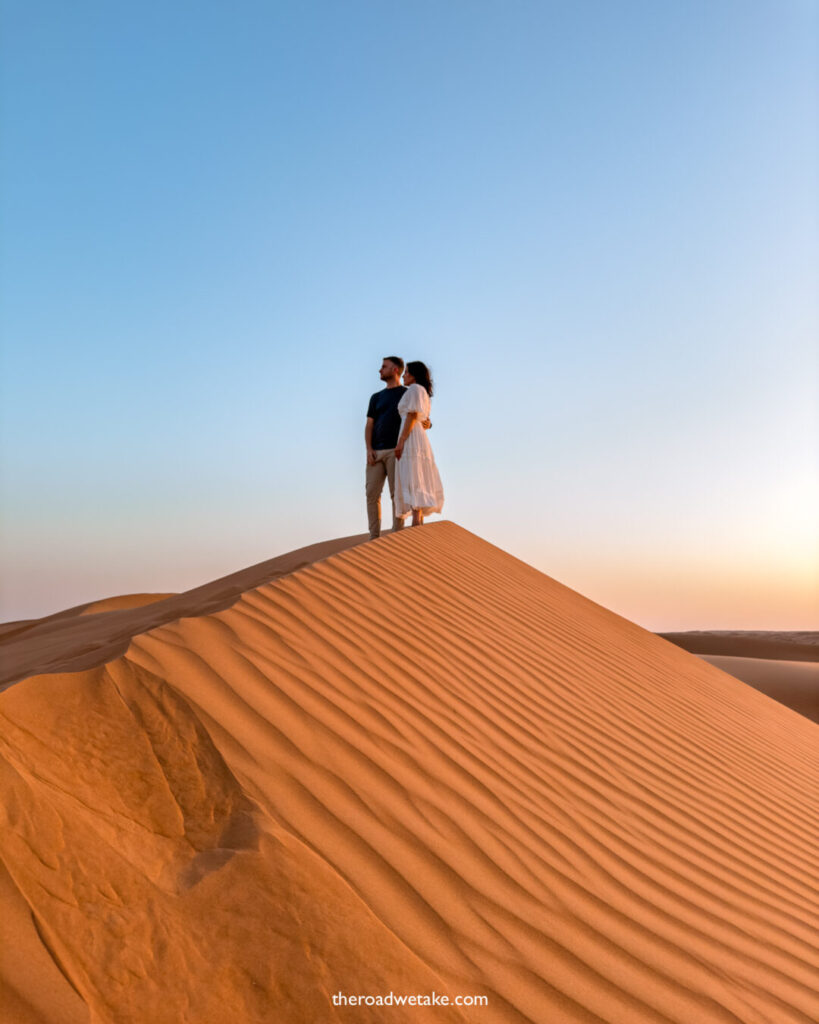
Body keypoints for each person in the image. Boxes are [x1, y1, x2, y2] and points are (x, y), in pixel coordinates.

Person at [394, 361, 444, 526]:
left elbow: (413, 415)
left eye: (406, 372)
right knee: (417, 476)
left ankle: (416, 525)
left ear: (414, 374)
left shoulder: (415, 389)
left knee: (413, 476)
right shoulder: (422, 392)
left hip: (411, 436)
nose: (404, 376)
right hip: (417, 435)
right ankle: (418, 523)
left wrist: (401, 440)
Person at [365, 356, 409, 539]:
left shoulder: (406, 393)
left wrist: (427, 424)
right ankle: (373, 537)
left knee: (396, 495)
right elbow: (369, 425)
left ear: (395, 370)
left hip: (396, 451)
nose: (380, 370)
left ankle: (396, 536)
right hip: (376, 451)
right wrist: (368, 448)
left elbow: (417, 417)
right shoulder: (376, 397)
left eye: (384, 367)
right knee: (371, 494)